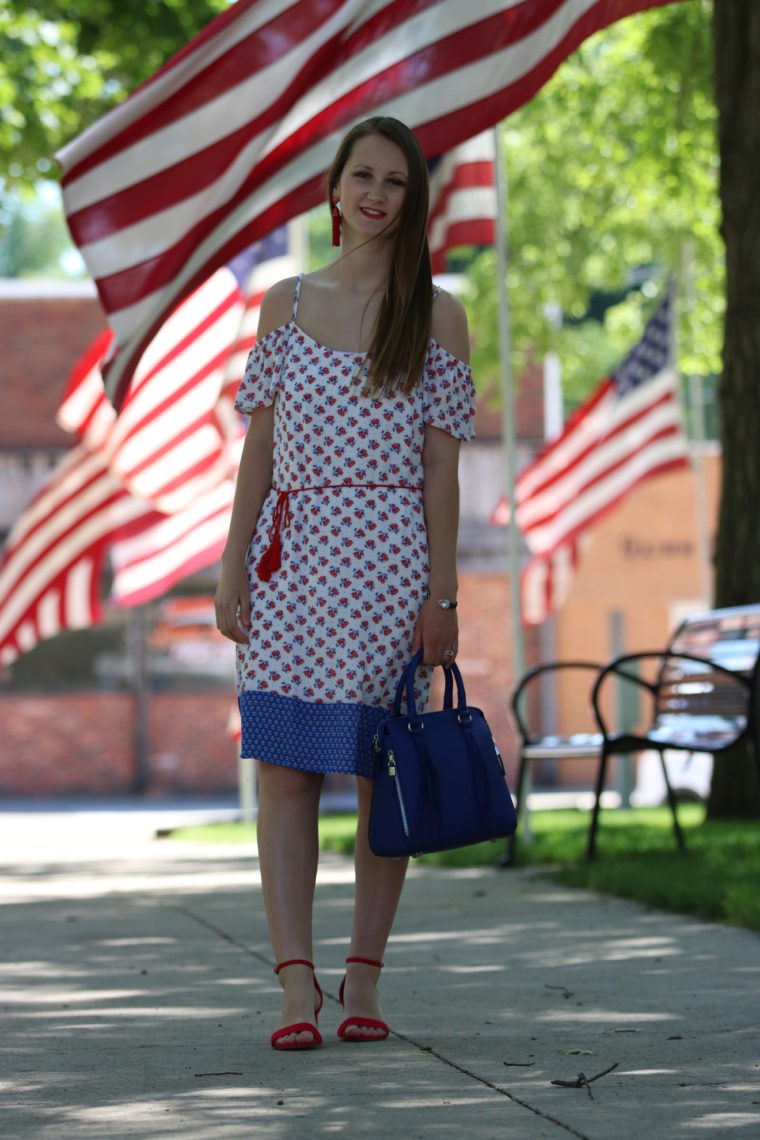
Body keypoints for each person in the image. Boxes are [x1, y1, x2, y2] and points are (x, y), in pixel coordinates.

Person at [214, 116, 476, 1050]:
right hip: (292, 569)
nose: (375, 193)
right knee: (284, 774)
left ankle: (362, 980)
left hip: (391, 571)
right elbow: (258, 453)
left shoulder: (437, 313)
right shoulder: (282, 305)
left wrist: (441, 597)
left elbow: (442, 469)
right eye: (361, 176)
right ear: (333, 192)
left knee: (378, 776)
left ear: (414, 200)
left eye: (395, 181)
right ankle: (295, 987)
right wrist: (232, 560)